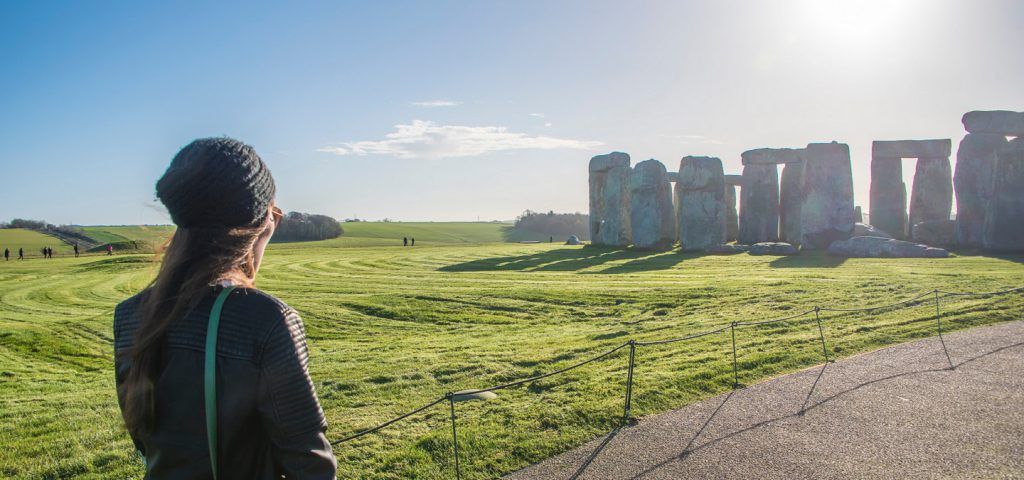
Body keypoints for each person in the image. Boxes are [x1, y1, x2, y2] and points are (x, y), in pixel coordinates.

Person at [113, 137, 336, 479]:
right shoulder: (267, 320)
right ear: (263, 219)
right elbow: (309, 464)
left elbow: (144, 436)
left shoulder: (129, 314)